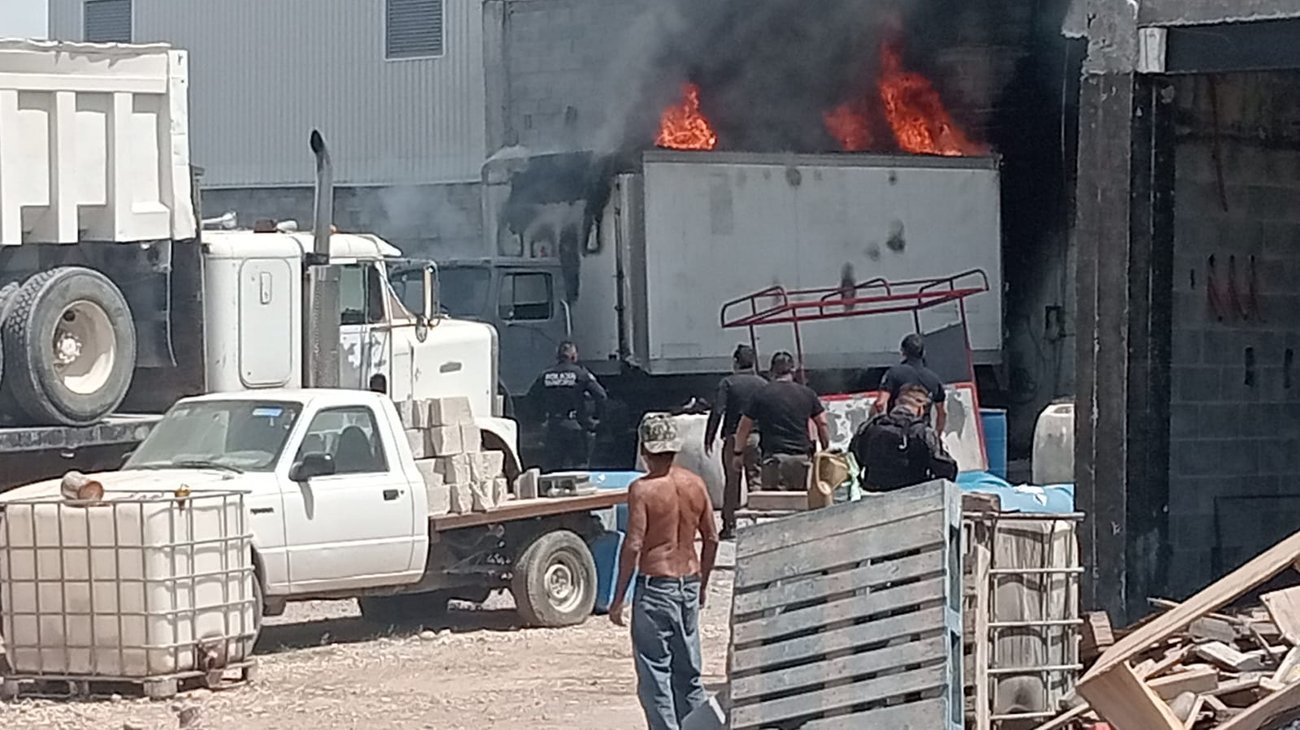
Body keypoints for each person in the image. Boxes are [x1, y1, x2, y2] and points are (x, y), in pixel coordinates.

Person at [610, 414, 720, 730]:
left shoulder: (642, 490)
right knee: (689, 672)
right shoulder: (695, 484)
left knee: (655, 671)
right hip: (688, 581)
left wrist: (619, 597)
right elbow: (711, 538)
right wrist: (702, 585)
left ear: (645, 450)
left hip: (656, 585)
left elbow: (633, 544)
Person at [733, 351, 829, 492]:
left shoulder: (761, 394)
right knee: (802, 508)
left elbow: (744, 426)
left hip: (773, 461)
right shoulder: (807, 393)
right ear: (793, 370)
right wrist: (826, 450)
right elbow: (822, 423)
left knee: (774, 508)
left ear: (771, 371)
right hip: (801, 459)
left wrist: (738, 453)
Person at [703, 344, 766, 539]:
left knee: (732, 482)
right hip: (756, 438)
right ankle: (759, 526)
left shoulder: (727, 383)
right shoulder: (762, 384)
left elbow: (718, 410)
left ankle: (729, 525)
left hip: (732, 438)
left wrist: (709, 436)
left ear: (736, 362)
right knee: (756, 481)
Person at [852, 383, 958, 491]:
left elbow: (853, 458)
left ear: (896, 403)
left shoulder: (870, 427)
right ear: (921, 409)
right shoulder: (923, 432)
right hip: (913, 494)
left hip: (873, 491)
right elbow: (945, 467)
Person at [529, 341, 607, 471]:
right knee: (580, 466)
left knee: (552, 468)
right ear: (573, 357)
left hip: (553, 427)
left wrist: (540, 418)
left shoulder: (546, 375)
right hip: (576, 426)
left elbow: (531, 398)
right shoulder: (581, 374)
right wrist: (597, 419)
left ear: (557, 356)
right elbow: (601, 396)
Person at [874, 333, 948, 433]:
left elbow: (880, 403)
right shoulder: (934, 379)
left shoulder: (893, 373)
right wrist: (937, 436)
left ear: (903, 352)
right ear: (923, 353)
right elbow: (942, 413)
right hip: (922, 434)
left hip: (894, 432)